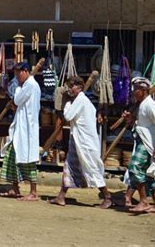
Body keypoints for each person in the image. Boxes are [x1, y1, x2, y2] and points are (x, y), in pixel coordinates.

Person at [49, 76, 112, 209]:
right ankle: (61, 196)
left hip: (85, 142)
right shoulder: (79, 100)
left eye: (72, 86)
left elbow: (68, 116)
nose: (70, 89)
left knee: (91, 169)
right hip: (77, 139)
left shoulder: (81, 100)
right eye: (69, 86)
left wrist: (66, 103)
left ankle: (107, 196)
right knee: (69, 166)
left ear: (80, 87)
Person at [0, 62, 41, 201]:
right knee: (12, 156)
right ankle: (14, 188)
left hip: (27, 128)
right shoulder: (27, 85)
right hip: (21, 126)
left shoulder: (30, 85)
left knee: (28, 160)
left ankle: (33, 192)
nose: (17, 76)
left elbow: (17, 100)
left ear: (25, 71)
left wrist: (17, 89)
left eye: (18, 73)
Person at [126, 77, 155, 214]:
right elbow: (143, 125)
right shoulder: (142, 104)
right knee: (148, 174)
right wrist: (130, 120)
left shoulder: (150, 105)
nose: (133, 92)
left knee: (135, 167)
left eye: (136, 89)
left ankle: (144, 201)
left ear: (143, 90)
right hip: (143, 141)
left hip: (148, 143)